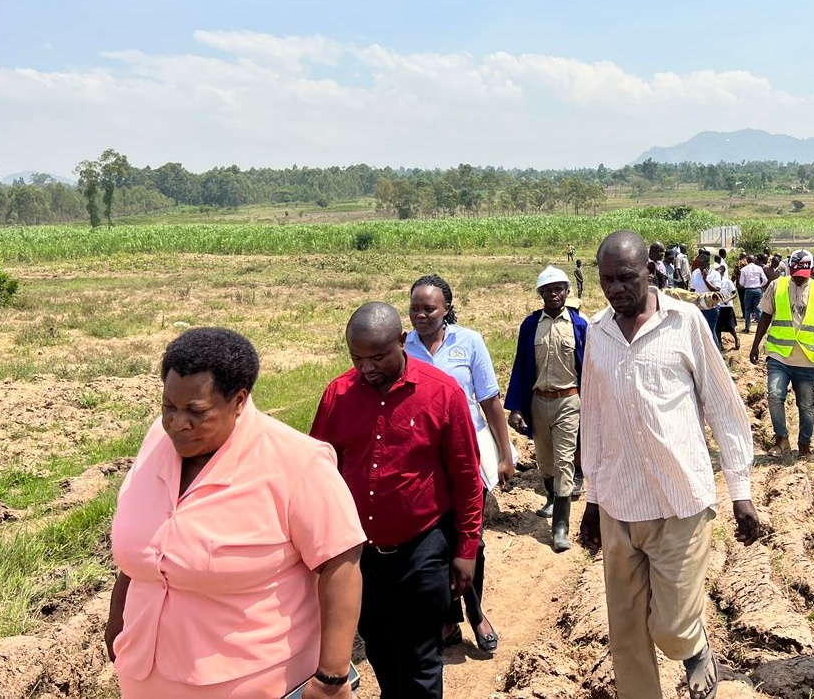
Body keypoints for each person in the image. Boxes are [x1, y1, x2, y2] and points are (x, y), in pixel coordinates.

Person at [108, 327, 365, 699]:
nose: (178, 423)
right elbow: (143, 546)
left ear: (239, 400)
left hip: (256, 681)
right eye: (169, 407)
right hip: (146, 678)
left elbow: (341, 561)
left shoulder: (296, 463)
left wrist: (332, 677)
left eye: (196, 411)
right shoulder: (155, 444)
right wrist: (118, 626)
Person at [579, 230, 761, 699]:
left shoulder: (686, 323)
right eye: (606, 280)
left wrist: (740, 490)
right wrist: (592, 499)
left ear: (650, 272)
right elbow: (594, 419)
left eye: (625, 278)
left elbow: (723, 406)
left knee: (674, 629)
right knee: (626, 635)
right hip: (620, 503)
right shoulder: (597, 333)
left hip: (681, 501)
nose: (615, 288)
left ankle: (696, 646)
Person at [310, 303, 485, 699]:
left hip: (423, 546)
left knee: (422, 657)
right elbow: (317, 474)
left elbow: (466, 478)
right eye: (357, 358)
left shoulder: (442, 393)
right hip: (360, 553)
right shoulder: (339, 395)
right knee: (380, 648)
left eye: (376, 357)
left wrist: (467, 549)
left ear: (402, 342)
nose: (366, 368)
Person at [405, 275, 513, 654]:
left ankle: (477, 612)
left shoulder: (469, 342)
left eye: (429, 308)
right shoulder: (403, 348)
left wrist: (505, 452)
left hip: (469, 456)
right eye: (415, 308)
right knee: (435, 543)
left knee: (472, 542)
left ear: (447, 308)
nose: (421, 315)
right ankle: (447, 619)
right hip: (424, 462)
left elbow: (489, 400)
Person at [505, 266, 589, 553]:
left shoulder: (579, 326)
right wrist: (516, 407)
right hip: (539, 401)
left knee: (565, 460)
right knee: (545, 458)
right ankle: (553, 496)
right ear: (540, 294)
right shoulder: (530, 326)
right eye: (548, 290)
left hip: (569, 401)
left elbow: (588, 367)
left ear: (567, 292)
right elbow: (520, 367)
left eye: (559, 289)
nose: (554, 294)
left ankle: (561, 526)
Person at [748, 250, 814, 459]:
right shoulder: (777, 286)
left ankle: (804, 444)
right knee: (775, 395)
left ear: (811, 270)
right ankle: (781, 439)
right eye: (795, 274)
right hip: (779, 355)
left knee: (806, 405)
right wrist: (755, 345)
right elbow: (766, 316)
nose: (798, 278)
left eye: (802, 275)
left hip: (807, 359)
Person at [689, 250, 723, 350]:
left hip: (711, 307)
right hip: (698, 306)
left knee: (710, 331)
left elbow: (717, 289)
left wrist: (705, 279)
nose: (700, 267)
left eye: (702, 265)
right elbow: (692, 289)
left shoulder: (715, 274)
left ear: (708, 264)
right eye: (698, 265)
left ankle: (716, 355)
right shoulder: (695, 273)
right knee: (698, 332)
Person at [738, 254, 766, 334]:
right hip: (758, 290)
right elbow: (765, 280)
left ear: (747, 260)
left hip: (748, 290)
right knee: (758, 309)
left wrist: (747, 285)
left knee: (747, 310)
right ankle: (761, 329)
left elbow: (741, 282)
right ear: (754, 260)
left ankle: (747, 328)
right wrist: (760, 285)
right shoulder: (759, 268)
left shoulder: (744, 269)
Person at [714, 269, 740, 351]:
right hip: (717, 306)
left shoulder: (727, 282)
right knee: (717, 327)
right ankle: (719, 345)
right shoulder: (713, 282)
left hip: (727, 307)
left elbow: (735, 293)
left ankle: (736, 338)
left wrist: (728, 300)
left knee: (730, 326)